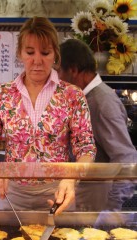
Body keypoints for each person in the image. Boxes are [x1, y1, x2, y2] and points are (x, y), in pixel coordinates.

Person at [0, 17, 96, 215]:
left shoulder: (73, 95)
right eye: (30, 52)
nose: (37, 60)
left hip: (58, 195)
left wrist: (71, 178)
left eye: (45, 53)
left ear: (55, 54)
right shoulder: (2, 95)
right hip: (12, 195)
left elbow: (86, 147)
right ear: (20, 53)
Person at [59, 38, 137, 211]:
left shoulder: (102, 102)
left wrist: (111, 209)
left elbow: (127, 158)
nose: (57, 80)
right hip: (81, 201)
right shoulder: (83, 99)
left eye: (58, 72)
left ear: (73, 70)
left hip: (96, 205)